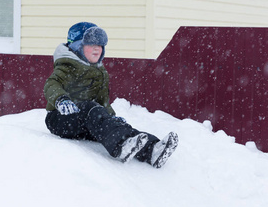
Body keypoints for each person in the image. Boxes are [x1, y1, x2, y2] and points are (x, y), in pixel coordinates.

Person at [43, 22, 178, 168]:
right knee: (90, 109)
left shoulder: (100, 72)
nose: (97, 48)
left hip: (86, 120)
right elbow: (52, 83)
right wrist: (61, 99)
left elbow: (102, 102)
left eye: (100, 45)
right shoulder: (67, 65)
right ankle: (121, 146)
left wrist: (111, 118)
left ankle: (152, 150)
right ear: (77, 46)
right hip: (61, 119)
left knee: (117, 125)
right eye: (90, 44)